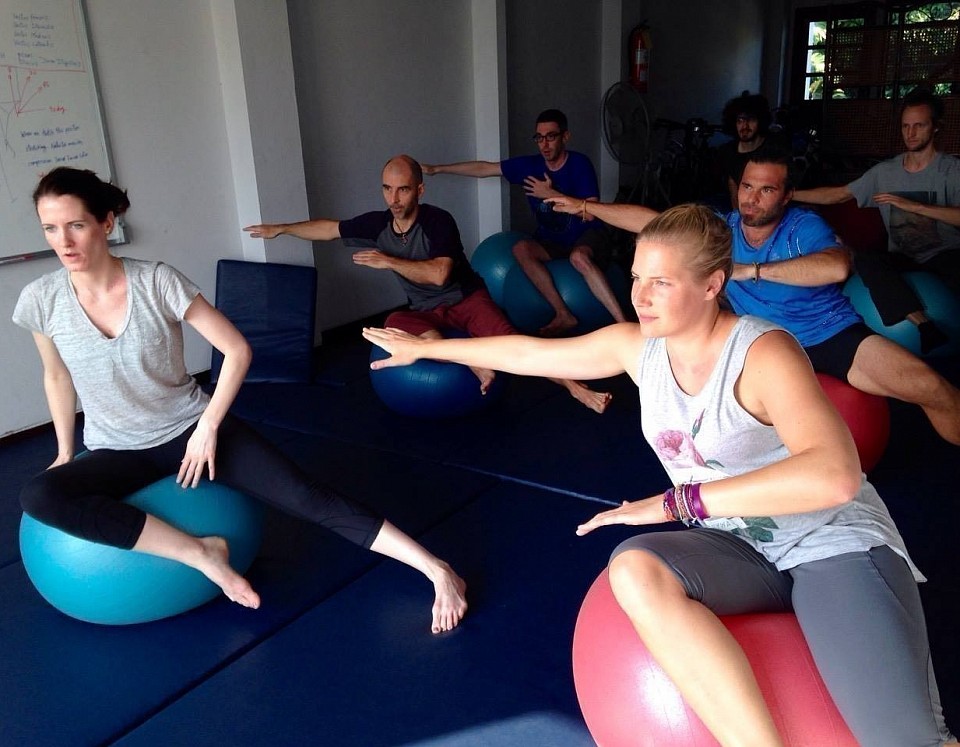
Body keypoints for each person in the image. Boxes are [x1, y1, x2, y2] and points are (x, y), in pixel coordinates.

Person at [361, 204, 956, 747]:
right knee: (635, 568)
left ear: (712, 285)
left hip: (829, 541)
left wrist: (675, 504)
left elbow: (835, 477)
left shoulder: (762, 353)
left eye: (661, 283)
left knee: (905, 742)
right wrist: (428, 351)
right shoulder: (638, 348)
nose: (640, 296)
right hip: (741, 543)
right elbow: (526, 355)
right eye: (637, 277)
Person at [13, 167, 467, 634]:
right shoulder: (41, 299)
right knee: (39, 495)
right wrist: (65, 452)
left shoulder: (157, 282)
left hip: (189, 429)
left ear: (106, 222)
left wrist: (208, 427)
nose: (64, 242)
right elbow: (57, 375)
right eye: (50, 228)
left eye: (76, 225)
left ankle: (437, 570)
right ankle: (201, 553)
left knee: (307, 496)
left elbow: (236, 350)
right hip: (116, 449)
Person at [546, 151, 960, 445]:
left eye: (766, 190)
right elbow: (654, 222)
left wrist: (750, 270)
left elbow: (836, 267)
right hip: (757, 347)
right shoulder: (721, 229)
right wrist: (584, 206)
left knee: (933, 388)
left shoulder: (803, 226)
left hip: (828, 336)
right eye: (747, 186)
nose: (752, 198)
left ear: (786, 195)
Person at [243, 154, 611, 413]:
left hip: (467, 300)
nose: (394, 199)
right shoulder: (378, 223)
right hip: (425, 311)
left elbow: (439, 274)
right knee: (394, 324)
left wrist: (388, 261)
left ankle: (577, 389)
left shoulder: (438, 221)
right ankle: (474, 363)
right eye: (387, 189)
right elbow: (328, 228)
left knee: (517, 344)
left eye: (402, 190)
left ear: (419, 190)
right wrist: (282, 229)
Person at [422, 109, 627, 337]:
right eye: (539, 138)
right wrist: (437, 169)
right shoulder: (530, 166)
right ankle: (563, 314)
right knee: (521, 249)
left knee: (578, 258)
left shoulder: (580, 164)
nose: (544, 144)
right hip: (554, 240)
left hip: (587, 234)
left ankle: (623, 324)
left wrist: (551, 193)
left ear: (565, 137)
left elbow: (590, 213)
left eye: (551, 136)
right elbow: (485, 168)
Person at [794, 89, 960, 353]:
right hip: (903, 256)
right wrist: (788, 195)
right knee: (866, 259)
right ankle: (923, 325)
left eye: (919, 125)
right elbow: (839, 195)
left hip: (945, 255)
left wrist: (916, 207)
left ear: (936, 127)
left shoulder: (951, 170)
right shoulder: (885, 172)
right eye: (905, 126)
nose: (910, 133)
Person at [716, 91, 783, 210]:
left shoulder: (774, 148)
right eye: (740, 120)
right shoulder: (727, 151)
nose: (745, 126)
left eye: (750, 120)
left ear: (761, 121)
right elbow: (733, 192)